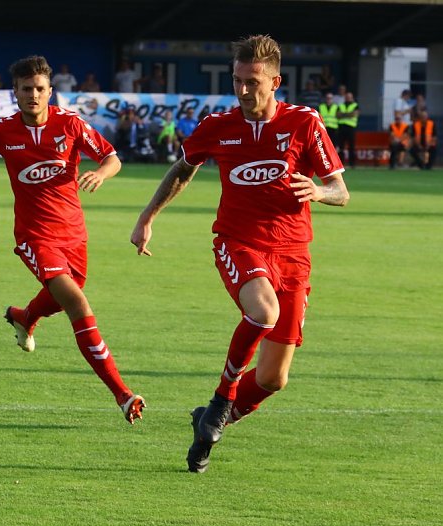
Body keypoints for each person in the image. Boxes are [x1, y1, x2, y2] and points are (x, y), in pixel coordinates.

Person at [130, 34, 349, 473]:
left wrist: (319, 191)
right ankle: (221, 399)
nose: (243, 90)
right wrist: (147, 217)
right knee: (263, 311)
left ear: (275, 81)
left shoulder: (304, 124)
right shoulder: (218, 125)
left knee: (273, 378)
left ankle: (212, 419)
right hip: (239, 241)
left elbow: (341, 190)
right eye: (237, 80)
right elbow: (183, 169)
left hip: (293, 255)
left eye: (252, 82)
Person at [0, 55, 146, 425]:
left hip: (74, 234)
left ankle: (24, 316)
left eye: (39, 89)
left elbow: (113, 158)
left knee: (65, 294)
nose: (33, 95)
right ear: (14, 93)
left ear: (50, 91)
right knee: (77, 302)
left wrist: (101, 172)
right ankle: (122, 393)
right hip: (35, 237)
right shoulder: (4, 130)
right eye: (25, 89)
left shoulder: (69, 124)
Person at [337, 91, 359, 168]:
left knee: (351, 146)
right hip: (342, 128)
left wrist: (344, 114)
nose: (348, 98)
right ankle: (340, 164)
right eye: (347, 96)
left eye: (349, 97)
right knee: (341, 147)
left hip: (351, 128)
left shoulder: (355, 105)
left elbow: (354, 114)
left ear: (352, 97)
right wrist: (349, 114)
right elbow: (338, 115)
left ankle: (352, 164)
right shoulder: (341, 105)